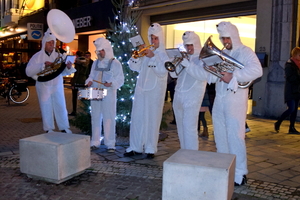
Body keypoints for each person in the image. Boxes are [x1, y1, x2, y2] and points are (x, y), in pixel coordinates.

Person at [208, 21, 263, 186]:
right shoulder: (222, 52)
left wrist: (234, 76)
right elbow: (214, 75)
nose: (225, 42)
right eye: (223, 38)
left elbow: (257, 71)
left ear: (234, 36)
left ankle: (240, 173)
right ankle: (224, 168)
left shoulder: (246, 52)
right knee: (220, 136)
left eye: (227, 38)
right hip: (220, 99)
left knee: (235, 137)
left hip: (235, 101)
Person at [124, 23, 169, 158]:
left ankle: (150, 148)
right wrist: (137, 56)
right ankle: (135, 146)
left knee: (152, 119)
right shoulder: (146, 52)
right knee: (137, 118)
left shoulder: (164, 55)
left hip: (155, 91)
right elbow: (133, 67)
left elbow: (162, 72)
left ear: (160, 39)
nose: (153, 41)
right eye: (151, 38)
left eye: (156, 38)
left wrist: (152, 57)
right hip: (141, 89)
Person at [25, 28, 75, 133]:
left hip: (57, 84)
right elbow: (28, 71)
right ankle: (49, 128)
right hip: (43, 85)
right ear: (44, 43)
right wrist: (42, 65)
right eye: (49, 42)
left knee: (61, 105)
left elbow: (63, 72)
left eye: (53, 42)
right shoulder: (37, 56)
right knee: (46, 106)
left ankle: (64, 127)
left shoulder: (59, 55)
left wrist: (68, 67)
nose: (51, 45)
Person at [170, 31, 208, 150]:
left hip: (192, 97)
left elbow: (203, 75)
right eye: (187, 45)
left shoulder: (202, 59)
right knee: (181, 128)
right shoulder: (184, 58)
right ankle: (183, 152)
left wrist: (188, 65)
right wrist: (173, 64)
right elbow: (174, 75)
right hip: (179, 96)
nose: (189, 48)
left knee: (189, 128)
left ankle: (191, 155)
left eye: (191, 45)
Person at [85, 37, 124, 152]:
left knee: (109, 117)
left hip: (109, 94)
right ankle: (95, 142)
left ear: (107, 49)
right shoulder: (95, 63)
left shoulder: (115, 63)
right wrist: (89, 81)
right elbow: (91, 76)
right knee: (95, 117)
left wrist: (111, 83)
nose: (100, 53)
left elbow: (120, 79)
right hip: (95, 91)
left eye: (102, 50)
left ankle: (110, 143)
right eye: (98, 51)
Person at [274, 47, 300, 134]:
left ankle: (291, 127)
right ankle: (278, 122)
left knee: (295, 110)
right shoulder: (289, 65)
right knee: (291, 109)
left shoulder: (298, 65)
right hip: (290, 90)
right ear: (295, 55)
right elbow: (291, 78)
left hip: (297, 90)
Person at [69, 51, 89, 116]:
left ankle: (74, 111)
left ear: (77, 56)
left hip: (77, 81)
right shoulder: (86, 62)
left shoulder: (77, 63)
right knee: (83, 96)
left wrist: (73, 83)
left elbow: (76, 74)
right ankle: (86, 111)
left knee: (74, 97)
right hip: (83, 80)